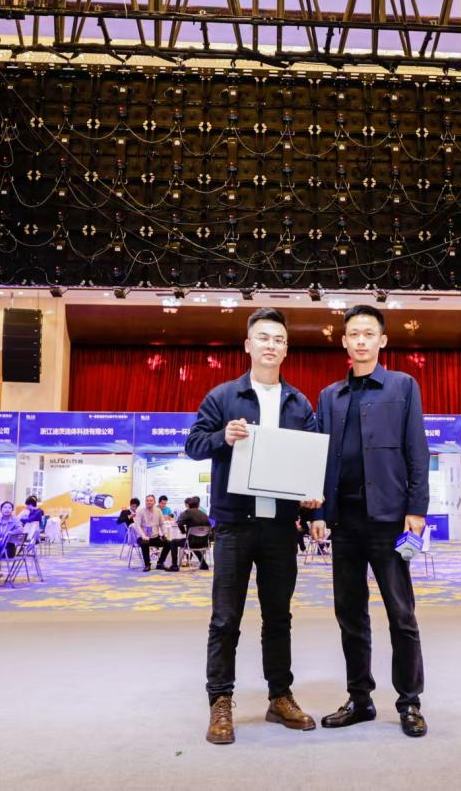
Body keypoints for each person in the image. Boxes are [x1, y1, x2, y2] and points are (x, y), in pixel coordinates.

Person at [185, 307, 319, 745]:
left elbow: (311, 463)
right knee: (226, 618)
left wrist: (312, 500)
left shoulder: (299, 403)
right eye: (263, 337)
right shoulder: (223, 396)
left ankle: (280, 697)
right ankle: (220, 701)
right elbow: (193, 444)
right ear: (248, 345)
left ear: (286, 349)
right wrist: (222, 437)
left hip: (281, 528)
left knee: (279, 617)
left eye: (278, 339)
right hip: (234, 527)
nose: (270, 345)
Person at [315, 304, 429, 739]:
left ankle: (409, 701)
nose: (360, 340)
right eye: (353, 334)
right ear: (344, 342)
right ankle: (360, 699)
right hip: (344, 523)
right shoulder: (330, 396)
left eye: (368, 333)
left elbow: (417, 450)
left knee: (401, 614)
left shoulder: (403, 386)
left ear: (382, 340)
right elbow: (322, 458)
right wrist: (319, 513)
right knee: (350, 614)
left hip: (390, 520)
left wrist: (416, 508)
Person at [134, 496, 179, 572]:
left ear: (154, 502)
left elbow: (162, 524)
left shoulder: (158, 511)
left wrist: (164, 534)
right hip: (143, 537)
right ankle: (147, 564)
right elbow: (137, 526)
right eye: (147, 500)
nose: (149, 502)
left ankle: (160, 563)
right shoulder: (140, 511)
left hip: (155, 536)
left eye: (151, 500)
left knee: (169, 543)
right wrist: (143, 536)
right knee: (144, 543)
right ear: (145, 502)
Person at [0, 501, 24, 586]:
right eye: (5, 507)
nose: (7, 509)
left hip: (9, 548)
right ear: (1, 509)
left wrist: (10, 532)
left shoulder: (15, 520)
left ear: (12, 510)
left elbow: (20, 530)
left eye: (9, 508)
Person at [178, 496, 212, 570]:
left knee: (173, 542)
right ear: (198, 505)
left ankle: (174, 565)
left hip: (192, 542)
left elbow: (180, 523)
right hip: (204, 543)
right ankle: (203, 564)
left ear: (188, 505)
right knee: (193, 542)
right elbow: (210, 526)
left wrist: (183, 531)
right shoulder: (204, 514)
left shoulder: (187, 512)